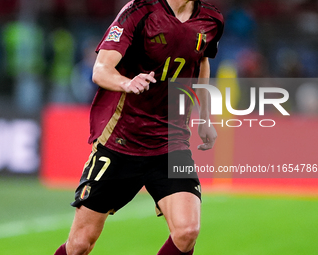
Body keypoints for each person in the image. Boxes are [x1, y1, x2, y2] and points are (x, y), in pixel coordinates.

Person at [54, 0, 224, 254]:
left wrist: (205, 118)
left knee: (187, 231)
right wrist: (126, 83)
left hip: (171, 143)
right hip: (122, 142)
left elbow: (202, 63)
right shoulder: (140, 11)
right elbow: (100, 70)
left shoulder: (212, 19)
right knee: (80, 244)